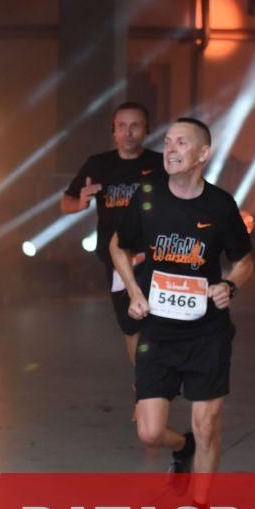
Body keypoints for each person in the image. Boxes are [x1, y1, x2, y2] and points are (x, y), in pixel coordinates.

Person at [108, 117, 253, 492]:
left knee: (208, 425)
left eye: (182, 143)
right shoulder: (147, 196)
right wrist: (134, 292)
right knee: (150, 432)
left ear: (203, 154)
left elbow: (244, 261)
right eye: (168, 142)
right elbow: (117, 246)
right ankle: (182, 446)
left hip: (208, 333)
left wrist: (229, 285)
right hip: (157, 332)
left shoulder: (220, 205)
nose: (170, 150)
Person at [61, 102, 164, 366]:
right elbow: (66, 202)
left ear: (147, 129)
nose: (128, 132)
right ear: (113, 130)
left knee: (160, 320)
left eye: (135, 126)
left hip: (156, 255)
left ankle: (157, 378)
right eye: (122, 126)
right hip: (117, 257)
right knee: (131, 323)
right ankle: (144, 381)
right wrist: (80, 203)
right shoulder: (98, 164)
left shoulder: (159, 164)